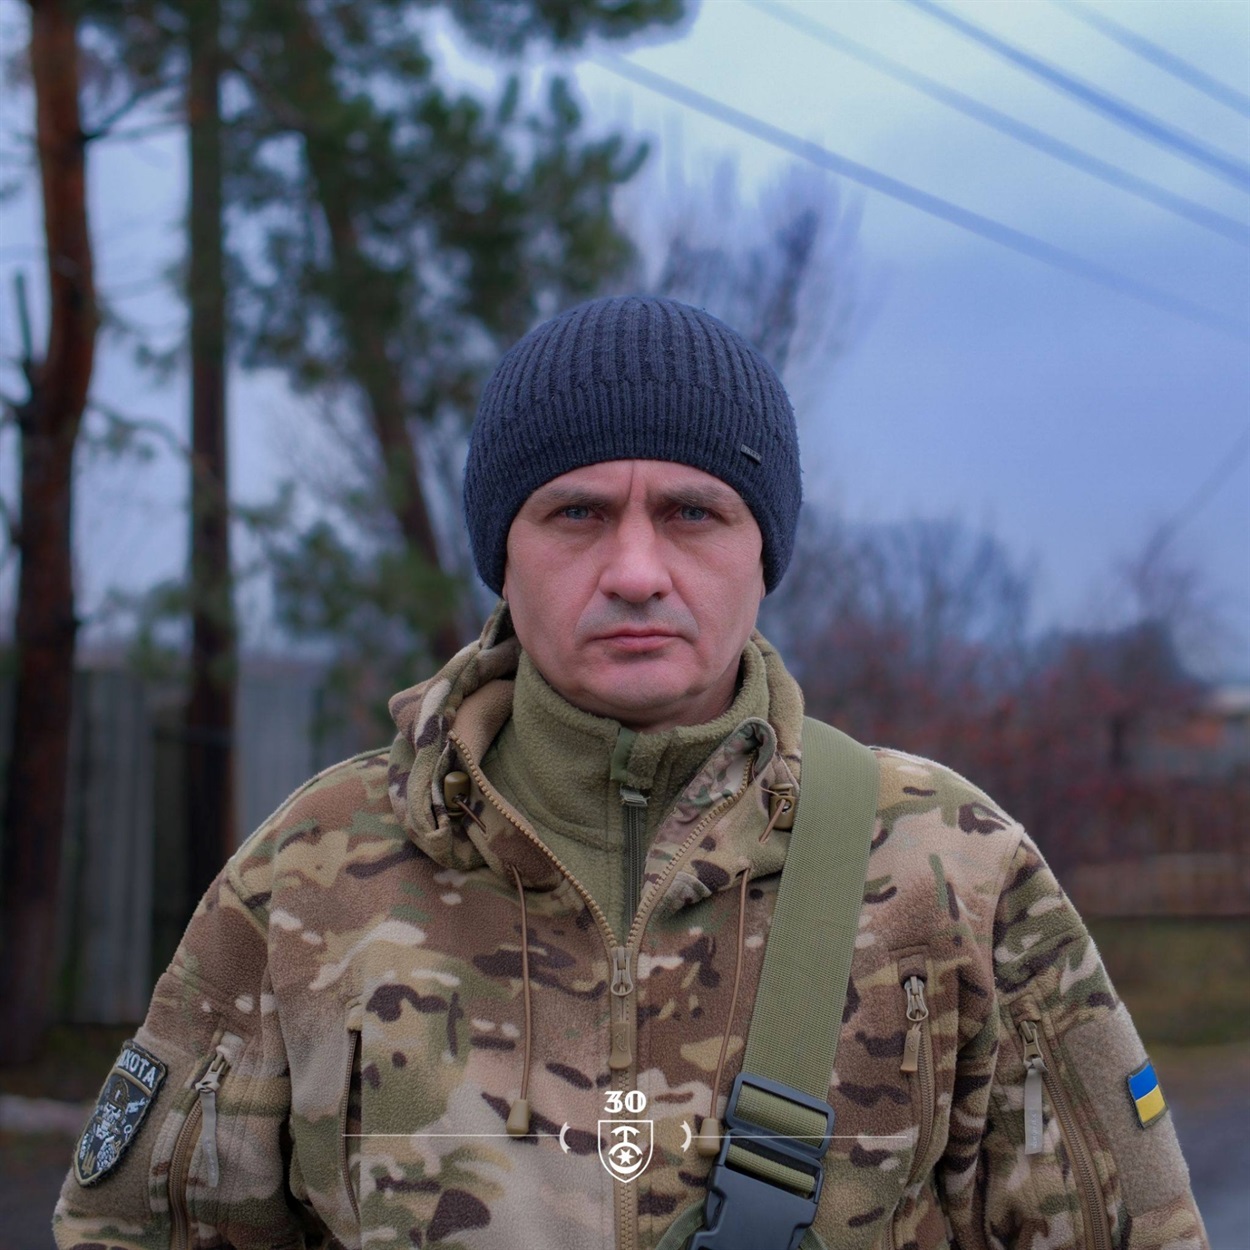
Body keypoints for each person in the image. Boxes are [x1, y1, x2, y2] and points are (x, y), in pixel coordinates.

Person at [55, 295, 1206, 1250]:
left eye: (693, 511)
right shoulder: (315, 868)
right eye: (576, 512)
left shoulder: (950, 869)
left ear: (764, 551)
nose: (637, 569)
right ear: (502, 554)